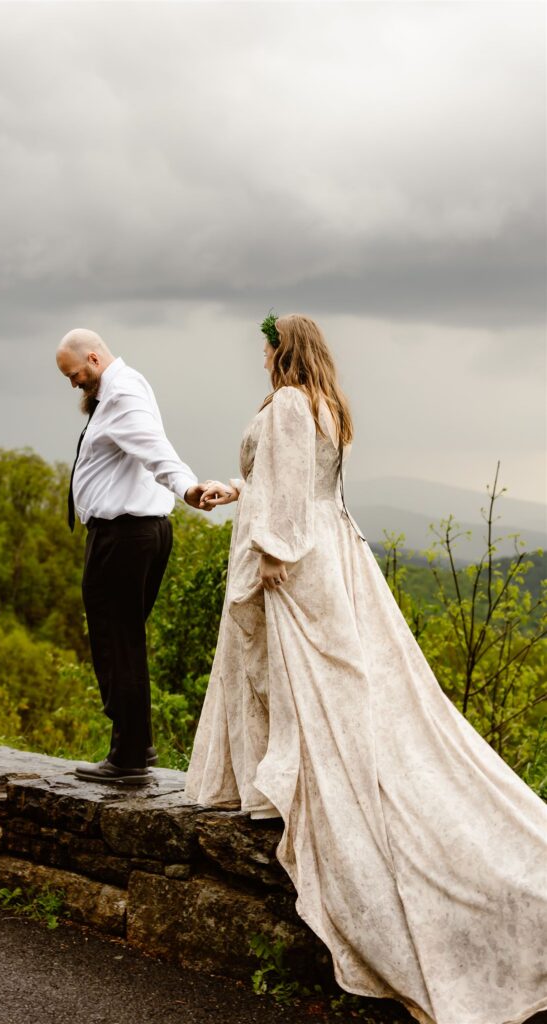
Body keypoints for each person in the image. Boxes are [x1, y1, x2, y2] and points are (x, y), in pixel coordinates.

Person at [185, 313, 547, 1024]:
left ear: (278, 349)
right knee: (336, 692)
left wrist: (264, 563)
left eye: (264, 346)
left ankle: (285, 789)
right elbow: (290, 478)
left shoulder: (288, 403)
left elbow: (286, 505)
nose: (259, 357)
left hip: (298, 560)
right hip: (334, 552)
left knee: (303, 688)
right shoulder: (325, 404)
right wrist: (233, 489)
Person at [56, 328, 204, 785]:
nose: (74, 384)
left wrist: (188, 487)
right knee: (122, 640)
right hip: (137, 533)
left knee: (115, 641)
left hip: (124, 535)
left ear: (95, 359)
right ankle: (137, 744)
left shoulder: (120, 394)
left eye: (76, 374)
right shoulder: (125, 386)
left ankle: (129, 756)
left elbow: (155, 449)